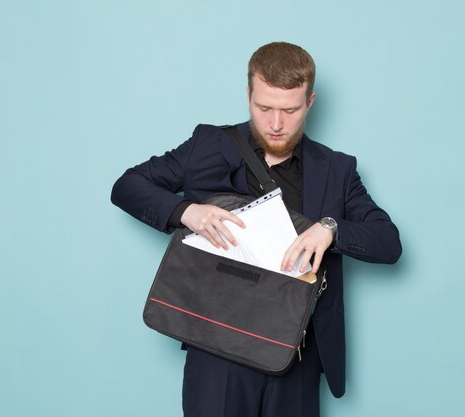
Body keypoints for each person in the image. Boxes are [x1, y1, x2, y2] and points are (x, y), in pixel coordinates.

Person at [111, 41, 402, 417]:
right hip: (217, 351)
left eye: (290, 110)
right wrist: (186, 211)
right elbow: (127, 186)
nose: (276, 123)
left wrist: (329, 228)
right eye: (264, 108)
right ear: (248, 94)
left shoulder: (337, 169)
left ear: (310, 102)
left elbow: (388, 242)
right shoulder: (206, 145)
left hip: (297, 354)